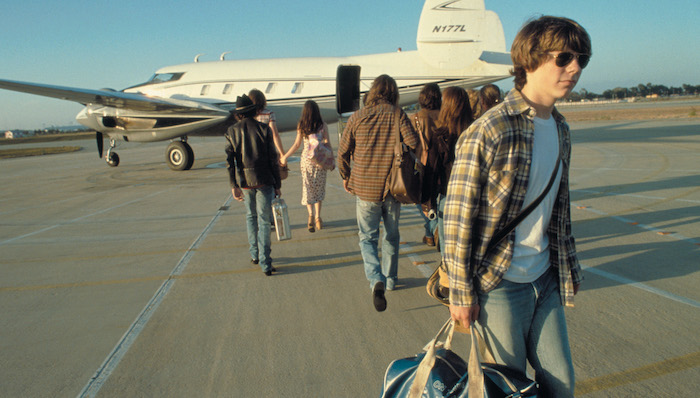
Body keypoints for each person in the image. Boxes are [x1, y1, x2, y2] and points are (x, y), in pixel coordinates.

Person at [443, 16, 591, 397]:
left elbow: (559, 211)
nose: (574, 68)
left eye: (581, 59)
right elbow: (459, 219)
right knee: (508, 390)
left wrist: (567, 267)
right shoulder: (490, 129)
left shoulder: (560, 129)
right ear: (530, 60)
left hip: (545, 278)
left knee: (562, 385)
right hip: (500, 285)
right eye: (563, 58)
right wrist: (461, 293)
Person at [337, 74, 419, 312]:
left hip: (364, 188)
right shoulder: (397, 114)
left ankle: (376, 279)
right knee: (391, 236)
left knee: (367, 238)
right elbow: (413, 143)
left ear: (372, 92)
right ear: (393, 93)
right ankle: (391, 280)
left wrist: (346, 177)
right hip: (393, 187)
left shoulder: (357, 117)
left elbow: (342, 153)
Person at [225, 94, 282, 276]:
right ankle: (266, 263)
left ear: (238, 114)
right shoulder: (264, 129)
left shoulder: (231, 132)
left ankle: (254, 254)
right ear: (253, 111)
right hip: (264, 179)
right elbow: (273, 159)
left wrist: (234, 184)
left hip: (245, 182)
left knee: (251, 217)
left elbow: (230, 161)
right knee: (264, 220)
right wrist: (277, 183)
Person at [423, 86, 474, 254]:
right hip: (474, 196)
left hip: (449, 196)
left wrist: (428, 202)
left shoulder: (440, 136)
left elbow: (432, 170)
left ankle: (449, 277)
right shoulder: (475, 132)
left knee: (447, 249)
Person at [280, 100, 331, 233]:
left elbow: (297, 144)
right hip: (319, 160)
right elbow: (327, 143)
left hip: (306, 160)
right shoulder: (322, 125)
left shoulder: (302, 125)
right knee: (319, 188)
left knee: (308, 187)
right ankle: (318, 218)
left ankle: (310, 216)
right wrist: (330, 160)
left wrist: (285, 156)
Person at [411, 83, 441, 247]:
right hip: (441, 165)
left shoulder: (416, 117)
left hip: (421, 166)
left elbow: (409, 143)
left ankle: (434, 227)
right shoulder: (444, 116)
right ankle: (430, 233)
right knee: (437, 200)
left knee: (422, 202)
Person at [249, 89, 285, 158]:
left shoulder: (248, 115)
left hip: (251, 151)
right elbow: (275, 134)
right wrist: (282, 153)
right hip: (267, 150)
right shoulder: (269, 113)